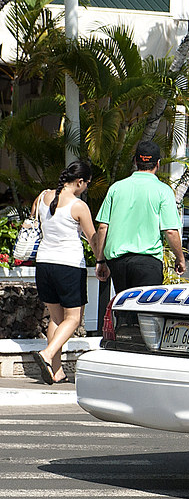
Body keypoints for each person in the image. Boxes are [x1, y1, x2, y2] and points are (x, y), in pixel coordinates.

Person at [30, 160, 101, 385]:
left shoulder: (42, 197)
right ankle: (47, 354)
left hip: (43, 264)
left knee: (57, 318)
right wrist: (101, 260)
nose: (86, 188)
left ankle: (56, 370)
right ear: (80, 181)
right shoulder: (78, 206)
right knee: (74, 318)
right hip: (68, 266)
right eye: (87, 184)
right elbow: (92, 239)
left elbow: (34, 221)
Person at [93, 140, 186, 293]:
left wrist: (100, 260)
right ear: (158, 163)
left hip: (118, 263)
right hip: (147, 262)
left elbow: (103, 227)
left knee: (123, 310)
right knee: (145, 313)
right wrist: (180, 258)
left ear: (136, 161)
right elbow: (170, 231)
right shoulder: (163, 191)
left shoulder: (116, 188)